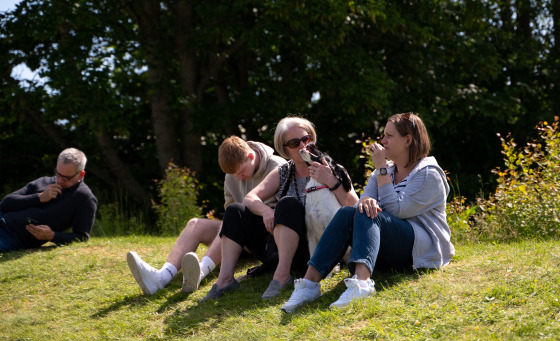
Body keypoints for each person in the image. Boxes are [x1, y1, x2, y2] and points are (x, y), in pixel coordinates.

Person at [281, 112, 455, 313]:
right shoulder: (383, 172)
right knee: (349, 212)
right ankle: (309, 284)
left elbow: (397, 211)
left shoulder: (428, 173)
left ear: (408, 140)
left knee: (368, 211)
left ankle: (362, 283)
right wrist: (372, 189)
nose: (383, 141)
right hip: (387, 251)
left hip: (419, 251)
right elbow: (359, 208)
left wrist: (381, 169)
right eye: (384, 135)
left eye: (389, 136)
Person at [202, 115, 359, 301]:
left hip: (319, 247)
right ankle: (225, 280)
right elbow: (250, 198)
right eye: (294, 143)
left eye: (306, 139)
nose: (302, 146)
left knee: (287, 203)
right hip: (283, 246)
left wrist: (331, 181)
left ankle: (282, 276)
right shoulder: (284, 171)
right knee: (235, 210)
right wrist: (266, 211)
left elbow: (354, 207)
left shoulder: (330, 167)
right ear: (285, 150)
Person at [126, 136, 286, 295]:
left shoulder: (278, 166)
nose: (238, 178)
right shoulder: (232, 175)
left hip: (268, 238)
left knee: (227, 223)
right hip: (240, 236)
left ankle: (200, 272)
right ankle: (162, 276)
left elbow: (285, 216)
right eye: (234, 174)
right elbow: (232, 212)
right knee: (195, 224)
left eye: (241, 172)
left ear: (251, 156)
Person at [0, 148, 98, 252]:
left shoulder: (85, 198)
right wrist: (39, 197)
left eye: (66, 178)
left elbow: (82, 237)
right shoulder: (44, 181)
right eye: (58, 174)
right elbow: (5, 203)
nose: (59, 181)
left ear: (81, 175)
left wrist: (52, 236)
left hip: (13, 238)